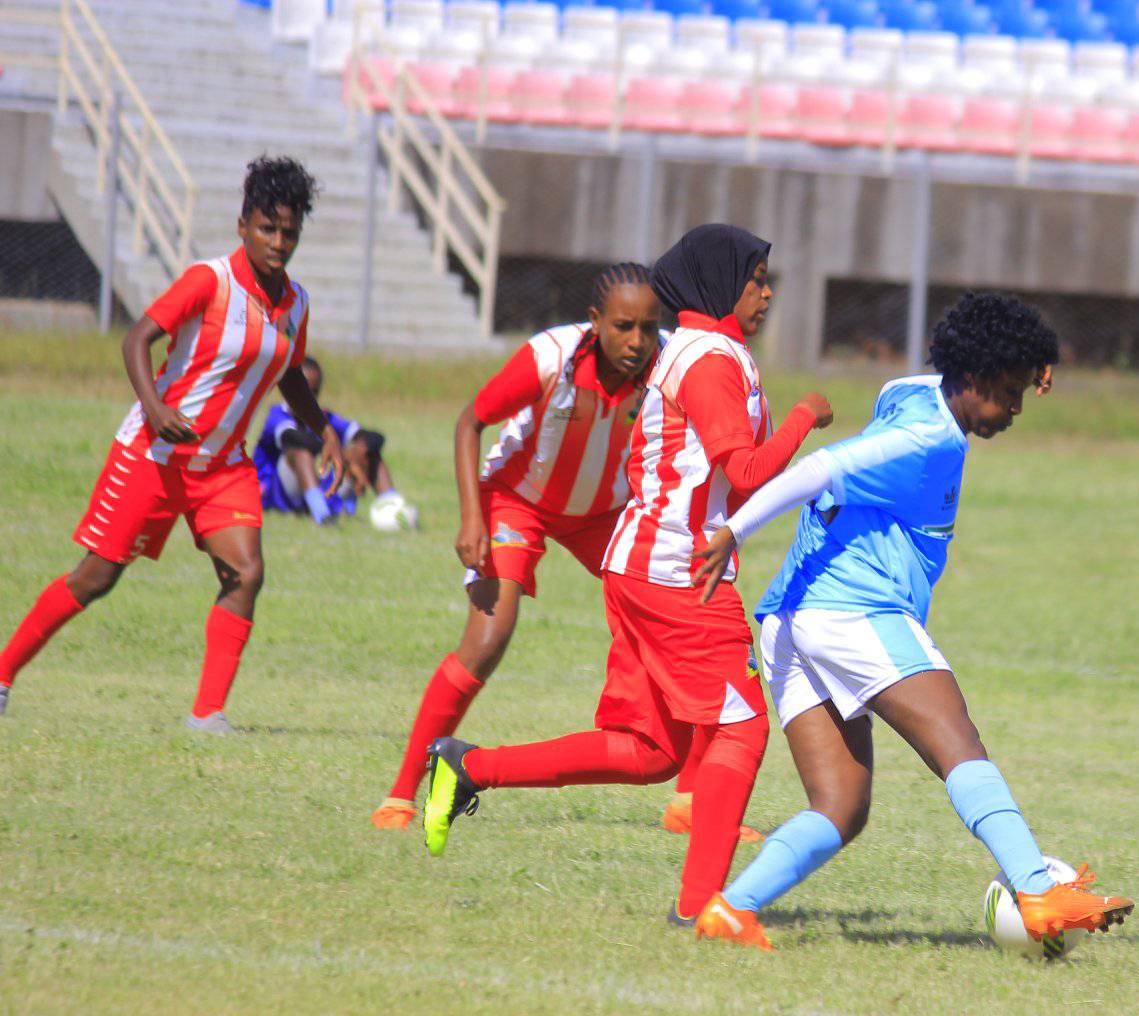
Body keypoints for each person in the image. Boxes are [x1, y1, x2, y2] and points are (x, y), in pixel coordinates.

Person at [685, 291, 1133, 951]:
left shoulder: (916, 394)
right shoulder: (922, 436)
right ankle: (1036, 890)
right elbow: (816, 470)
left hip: (789, 618)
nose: (1014, 407)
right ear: (971, 380)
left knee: (841, 805)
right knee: (958, 740)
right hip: (852, 608)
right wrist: (734, 530)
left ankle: (730, 909)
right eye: (1007, 392)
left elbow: (920, 376)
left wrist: (1030, 357)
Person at [420, 225, 831, 926]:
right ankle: (700, 909)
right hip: (677, 574)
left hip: (641, 565)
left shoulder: (703, 352)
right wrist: (805, 417)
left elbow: (719, 464)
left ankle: (466, 766)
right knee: (741, 726)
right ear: (720, 281)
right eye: (758, 278)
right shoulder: (708, 359)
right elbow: (750, 471)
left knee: (648, 752)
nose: (768, 292)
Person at [0, 156, 343, 732]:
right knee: (97, 578)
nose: (278, 242)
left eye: (289, 232)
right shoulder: (210, 281)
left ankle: (207, 717)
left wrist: (324, 429)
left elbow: (287, 375)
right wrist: (156, 412)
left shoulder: (295, 305)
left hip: (222, 466)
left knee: (246, 571)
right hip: (153, 456)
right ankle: (4, 673)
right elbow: (138, 338)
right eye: (267, 228)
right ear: (243, 225)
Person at [373, 262, 703, 832]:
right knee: (489, 636)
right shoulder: (549, 357)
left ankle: (692, 802)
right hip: (516, 503)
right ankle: (402, 794)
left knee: (690, 618)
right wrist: (472, 517)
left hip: (606, 515)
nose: (638, 341)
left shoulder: (668, 364)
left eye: (649, 327)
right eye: (623, 326)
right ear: (594, 321)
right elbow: (468, 423)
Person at [254, 356, 412, 527]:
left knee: (368, 452)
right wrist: (345, 455)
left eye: (313, 392)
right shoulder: (277, 415)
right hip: (279, 494)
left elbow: (375, 437)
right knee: (299, 453)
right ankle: (323, 516)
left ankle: (395, 510)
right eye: (302, 389)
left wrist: (358, 451)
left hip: (315, 485)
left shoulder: (324, 417)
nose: (307, 396)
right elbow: (295, 439)